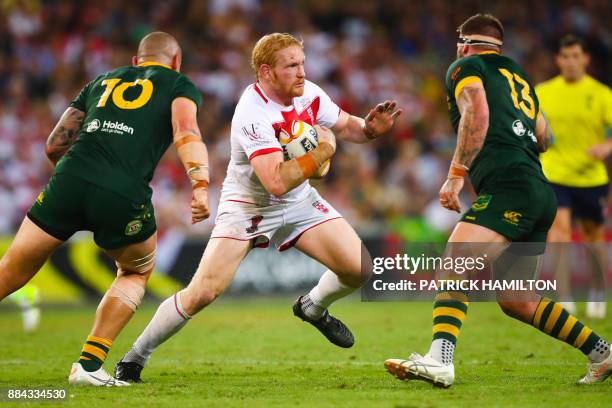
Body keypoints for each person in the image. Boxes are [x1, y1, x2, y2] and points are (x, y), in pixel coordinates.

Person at [114, 32, 401, 382]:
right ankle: (134, 358)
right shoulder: (252, 113)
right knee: (202, 292)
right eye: (291, 65)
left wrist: (369, 128)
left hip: (299, 202)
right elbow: (276, 182)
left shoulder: (308, 93)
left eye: (302, 63)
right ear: (266, 72)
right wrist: (323, 152)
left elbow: (344, 126)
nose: (301, 72)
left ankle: (312, 307)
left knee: (360, 269)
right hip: (249, 205)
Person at [384, 14, 611, 387]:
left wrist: (456, 174)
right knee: (517, 299)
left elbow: (477, 112)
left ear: (466, 42)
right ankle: (602, 352)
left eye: (460, 41)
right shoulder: (519, 78)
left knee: (456, 260)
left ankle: (440, 359)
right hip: (539, 189)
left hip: (510, 186)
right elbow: (544, 136)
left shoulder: (466, 66)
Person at [0, 31, 210, 386]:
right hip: (122, 192)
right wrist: (200, 184)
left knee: (13, 268)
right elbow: (186, 131)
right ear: (176, 63)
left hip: (70, 177)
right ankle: (88, 365)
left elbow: (54, 146)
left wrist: (79, 181)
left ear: (135, 62)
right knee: (134, 272)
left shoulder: (102, 80)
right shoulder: (179, 84)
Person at [536, 35, 612, 318]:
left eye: (575, 56)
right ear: (558, 60)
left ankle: (598, 291)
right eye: (565, 56)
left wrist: (606, 145)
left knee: (594, 239)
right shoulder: (542, 92)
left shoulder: (601, 93)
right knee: (559, 235)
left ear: (585, 58)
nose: (570, 62)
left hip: (591, 177)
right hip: (554, 173)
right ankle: (564, 297)